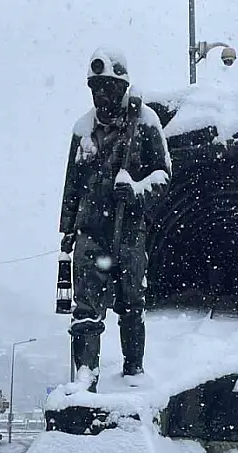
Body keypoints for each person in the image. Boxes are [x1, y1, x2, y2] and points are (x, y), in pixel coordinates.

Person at [58, 47, 172, 391]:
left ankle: (133, 371)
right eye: (94, 87)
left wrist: (137, 190)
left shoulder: (147, 123)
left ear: (120, 87)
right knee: (85, 309)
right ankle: (85, 377)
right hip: (91, 231)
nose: (99, 94)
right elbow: (72, 183)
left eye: (105, 87)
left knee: (131, 303)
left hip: (130, 231)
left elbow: (164, 175)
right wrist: (67, 230)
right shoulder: (83, 129)